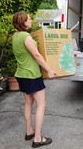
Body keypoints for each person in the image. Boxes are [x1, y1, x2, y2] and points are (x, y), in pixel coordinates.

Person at [12, 12, 56, 148]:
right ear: (23, 23)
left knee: (28, 103)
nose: (31, 21)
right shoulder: (26, 36)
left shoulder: (15, 36)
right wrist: (49, 69)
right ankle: (37, 138)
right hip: (31, 75)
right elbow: (36, 55)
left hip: (21, 74)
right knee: (41, 104)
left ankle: (29, 131)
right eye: (29, 19)